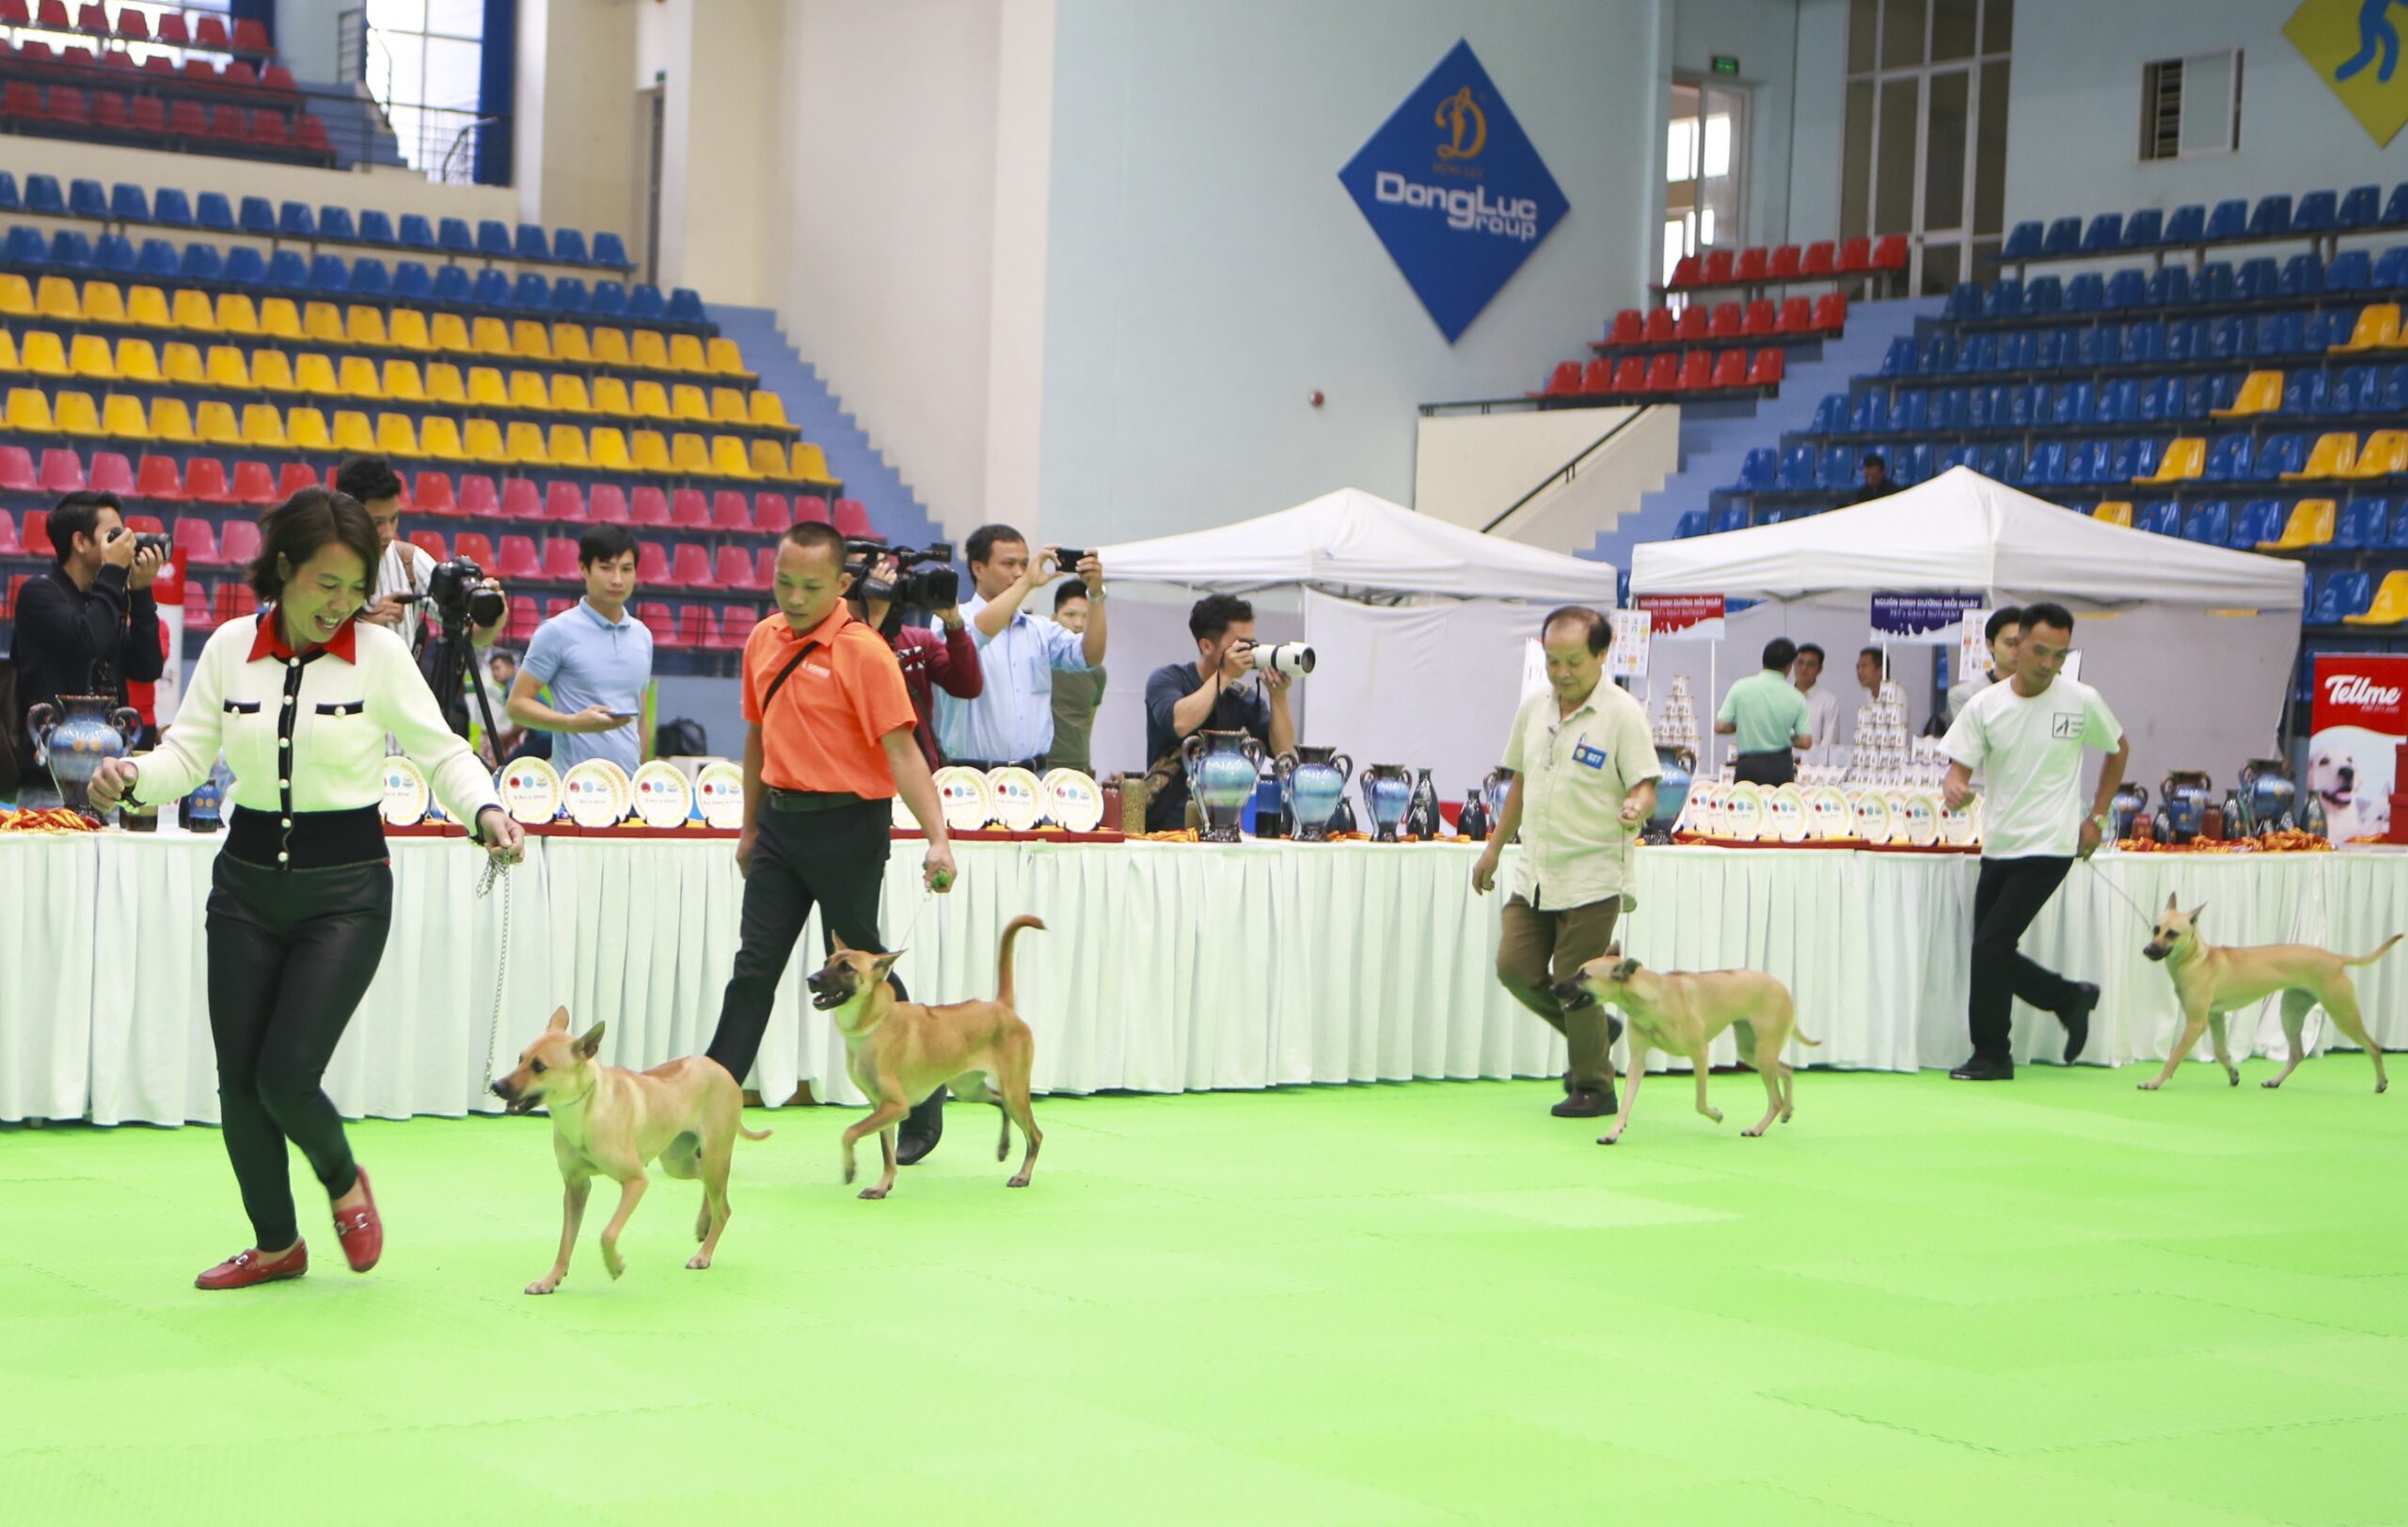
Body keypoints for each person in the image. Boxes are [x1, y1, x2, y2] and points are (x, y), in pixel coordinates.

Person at [86, 489, 527, 1289]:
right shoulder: (227, 648)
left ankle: (341, 1177)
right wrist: (128, 778)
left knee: (285, 1074)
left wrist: (488, 807)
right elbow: (182, 758)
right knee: (238, 1081)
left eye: (357, 589)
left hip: (347, 893)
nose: (343, 606)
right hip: (245, 888)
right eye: (328, 584)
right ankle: (278, 1243)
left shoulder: (381, 656)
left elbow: (443, 753)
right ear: (282, 568)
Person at [704, 521, 958, 1162]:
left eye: (810, 586)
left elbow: (903, 752)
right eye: (783, 582)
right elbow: (758, 737)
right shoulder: (762, 640)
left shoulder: (864, 651)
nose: (793, 596)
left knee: (864, 969)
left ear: (842, 583)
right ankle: (706, 1104)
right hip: (780, 828)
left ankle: (923, 1097)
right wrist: (749, 826)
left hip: (850, 826)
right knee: (753, 968)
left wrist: (938, 839)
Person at [1472, 606, 1659, 1120]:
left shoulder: (1622, 713)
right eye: (1553, 661)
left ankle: (1595, 1088)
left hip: (1594, 872)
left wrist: (1635, 806)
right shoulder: (1535, 708)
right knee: (1514, 968)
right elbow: (1521, 782)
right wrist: (1494, 847)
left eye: (1573, 661)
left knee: (1575, 978)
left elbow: (1646, 783)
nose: (1562, 672)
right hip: (1535, 871)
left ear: (1602, 655)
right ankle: (1597, 1034)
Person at [1939, 601, 2126, 1082]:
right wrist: (1955, 789)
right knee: (1990, 948)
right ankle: (2066, 998)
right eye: (2040, 650)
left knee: (1990, 946)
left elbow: (2118, 748)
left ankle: (1992, 1053)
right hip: (1999, 842)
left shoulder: (2082, 699)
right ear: (2016, 645)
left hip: (2052, 843)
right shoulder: (1985, 704)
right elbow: (1957, 769)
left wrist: (2097, 816)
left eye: (2059, 655)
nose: (2048, 663)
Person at [8, 492, 166, 804]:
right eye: (113, 536)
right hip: (49, 785)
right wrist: (113, 574)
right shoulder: (38, 593)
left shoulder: (102, 601)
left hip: (108, 780)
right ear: (80, 542)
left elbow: (147, 667)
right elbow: (87, 639)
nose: (124, 544)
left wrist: (142, 591)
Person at [934, 524, 1105, 771]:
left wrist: (1096, 593)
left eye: (1024, 564)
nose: (1018, 572)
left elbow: (1091, 656)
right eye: (1008, 564)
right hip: (973, 778)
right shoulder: (951, 618)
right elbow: (977, 634)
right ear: (978, 567)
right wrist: (1025, 583)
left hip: (1033, 776)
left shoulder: (1039, 628)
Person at [1142, 594, 1297, 831]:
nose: (1248, 651)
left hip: (1224, 825)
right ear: (1206, 645)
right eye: (1239, 644)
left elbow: (1283, 751)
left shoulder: (1241, 695)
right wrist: (1224, 675)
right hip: (1166, 827)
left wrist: (1279, 696)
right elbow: (1179, 723)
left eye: (1252, 644)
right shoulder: (1168, 679)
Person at [505, 525, 653, 775]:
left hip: (629, 796)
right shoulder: (557, 631)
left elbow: (641, 715)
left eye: (626, 569)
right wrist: (573, 723)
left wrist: (642, 778)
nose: (617, 579)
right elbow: (517, 706)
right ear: (583, 569)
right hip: (576, 794)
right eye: (606, 568)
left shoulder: (642, 635)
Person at [339, 457, 502, 658]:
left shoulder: (410, 560)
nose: (388, 532)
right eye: (377, 522)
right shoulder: (321, 564)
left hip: (398, 687)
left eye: (394, 518)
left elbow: (475, 636)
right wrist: (365, 627)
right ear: (347, 514)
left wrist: (494, 613)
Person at [845, 547, 981, 770]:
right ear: (845, 582)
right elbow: (849, 684)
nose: (883, 578)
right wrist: (874, 620)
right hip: (861, 774)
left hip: (918, 772)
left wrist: (953, 623)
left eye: (885, 569)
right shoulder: (834, 640)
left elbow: (967, 687)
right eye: (871, 572)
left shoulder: (918, 640)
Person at [1716, 638, 1814, 786]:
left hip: (1748, 766)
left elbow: (1720, 727)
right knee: (1778, 807)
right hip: (1781, 768)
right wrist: (1781, 735)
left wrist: (1743, 725)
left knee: (1745, 807)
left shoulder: (1740, 687)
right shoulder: (1796, 697)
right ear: (1789, 666)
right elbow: (1806, 742)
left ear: (1763, 661)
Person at [1043, 581, 1105, 775]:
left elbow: (1088, 721)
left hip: (1079, 768)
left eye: (1086, 617)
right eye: (1070, 615)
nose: (1078, 624)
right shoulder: (1038, 661)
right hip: (1038, 769)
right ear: (1054, 619)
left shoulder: (1097, 672)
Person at [1946, 607, 2022, 724]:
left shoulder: (2044, 691)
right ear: (1990, 644)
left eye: (2023, 643)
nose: (2017, 651)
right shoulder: (1965, 695)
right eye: (2010, 644)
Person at [1790, 642, 1843, 772]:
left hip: (1814, 770)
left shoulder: (1829, 701)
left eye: (1810, 664)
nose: (1804, 668)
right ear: (1793, 664)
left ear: (1819, 669)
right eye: (1800, 662)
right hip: (1780, 765)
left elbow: (1829, 744)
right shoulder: (1781, 695)